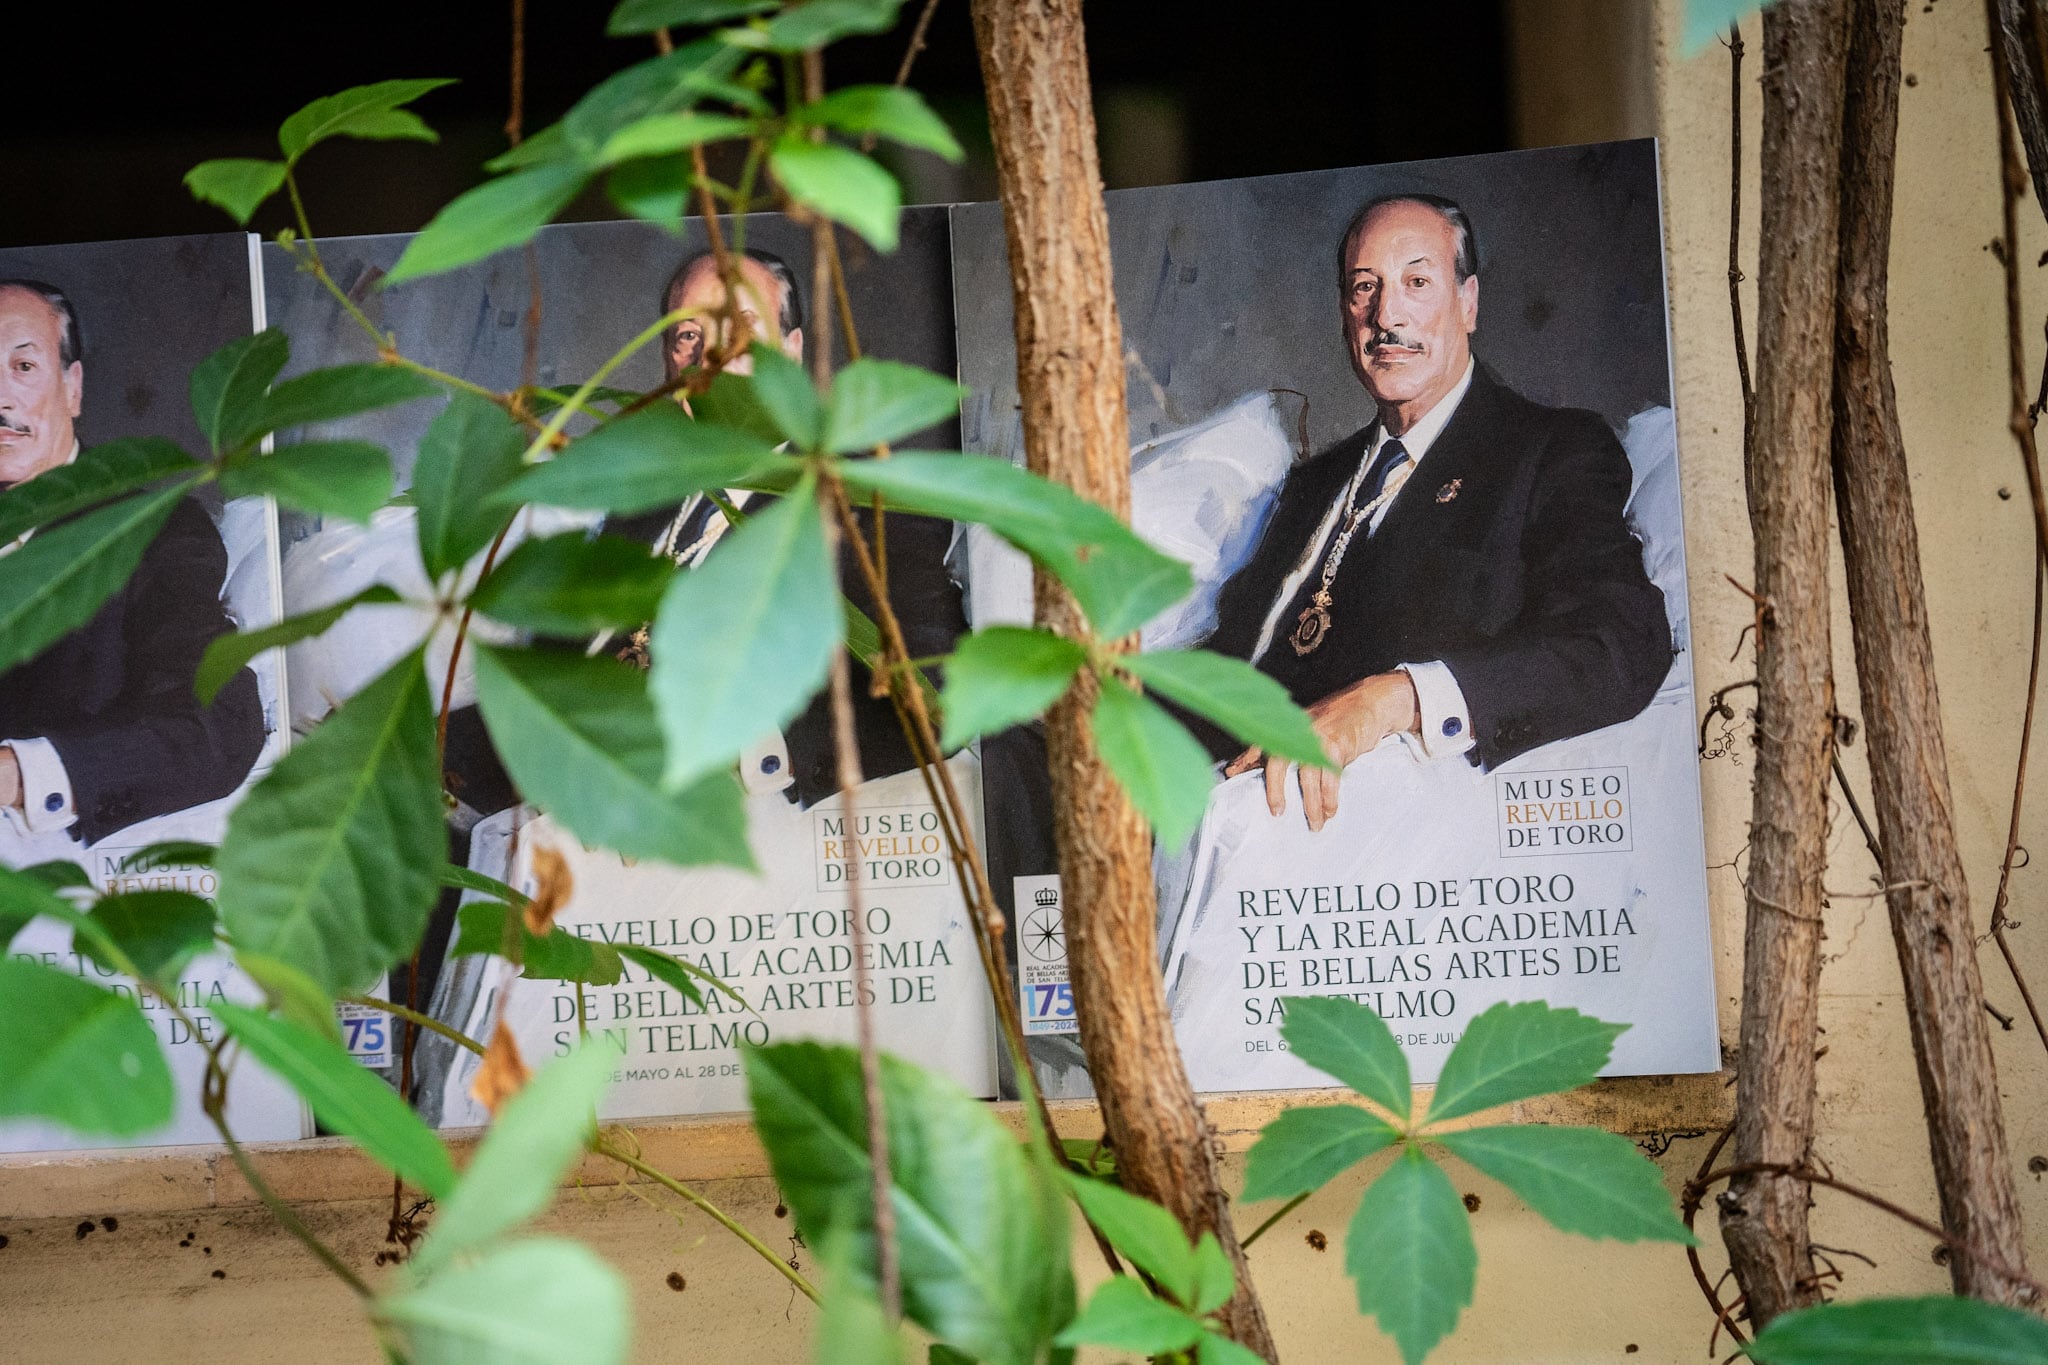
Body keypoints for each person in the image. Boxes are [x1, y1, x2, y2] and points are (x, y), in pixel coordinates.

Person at [1196, 194, 1669, 832]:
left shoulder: (1549, 450)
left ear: (1467, 302)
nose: (1385, 316)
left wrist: (1394, 699)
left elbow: (1617, 646)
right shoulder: (1313, 485)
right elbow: (1233, 658)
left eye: (1416, 282)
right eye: (1365, 288)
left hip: (1328, 822)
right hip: (1205, 773)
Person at [608, 247, 968, 807]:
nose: (712, 355)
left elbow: (935, 701)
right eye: (687, 333)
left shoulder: (869, 500)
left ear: (792, 353)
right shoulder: (638, 491)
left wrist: (751, 758)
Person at [0, 279, 265, 847]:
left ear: (72, 388)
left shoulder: (156, 531)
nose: (2, 399)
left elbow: (218, 726)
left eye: (23, 367)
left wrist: (21, 774)